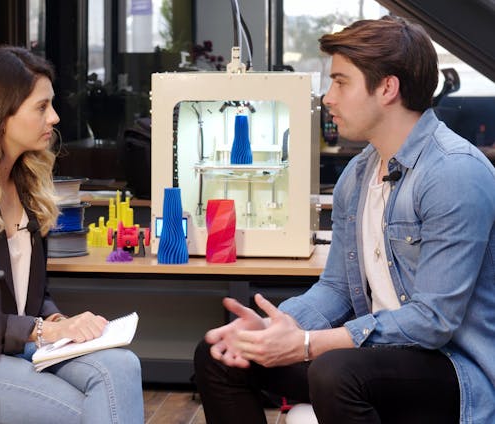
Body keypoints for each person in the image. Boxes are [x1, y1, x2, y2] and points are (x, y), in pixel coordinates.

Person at [194, 16, 495, 424]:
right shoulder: (358, 174)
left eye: (340, 82)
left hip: (453, 372)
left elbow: (433, 320)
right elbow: (336, 289)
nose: (328, 98)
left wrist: (305, 344)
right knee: (224, 356)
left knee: (335, 372)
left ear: (387, 88)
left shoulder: (454, 173)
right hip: (382, 361)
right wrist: (271, 330)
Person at [0, 45, 144, 423]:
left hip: (19, 348)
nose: (53, 117)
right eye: (41, 107)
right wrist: (40, 331)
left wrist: (53, 322)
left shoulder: (27, 182)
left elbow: (35, 295)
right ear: (0, 113)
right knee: (87, 411)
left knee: (123, 367)